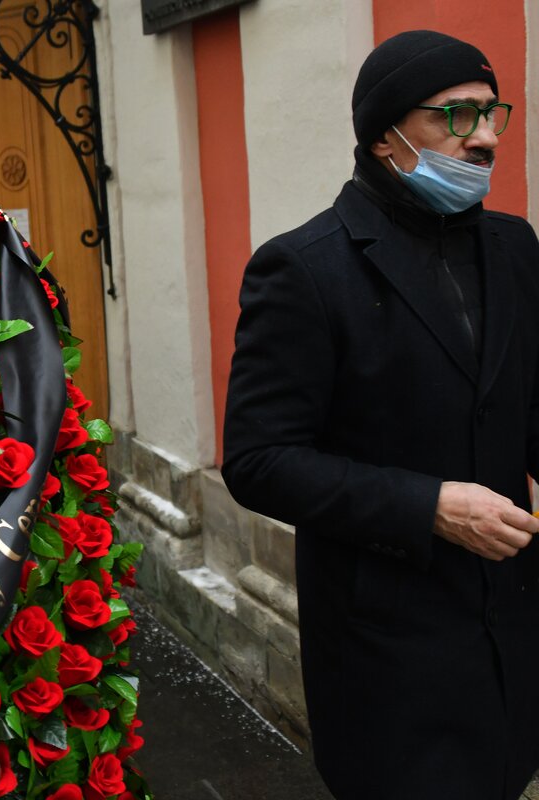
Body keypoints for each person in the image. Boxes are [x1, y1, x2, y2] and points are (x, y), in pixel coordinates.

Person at [222, 30, 539, 800]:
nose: (488, 138)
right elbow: (259, 461)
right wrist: (430, 506)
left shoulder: (513, 245)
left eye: (491, 113)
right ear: (387, 135)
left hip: (510, 633)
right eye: (458, 117)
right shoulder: (304, 267)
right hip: (389, 651)